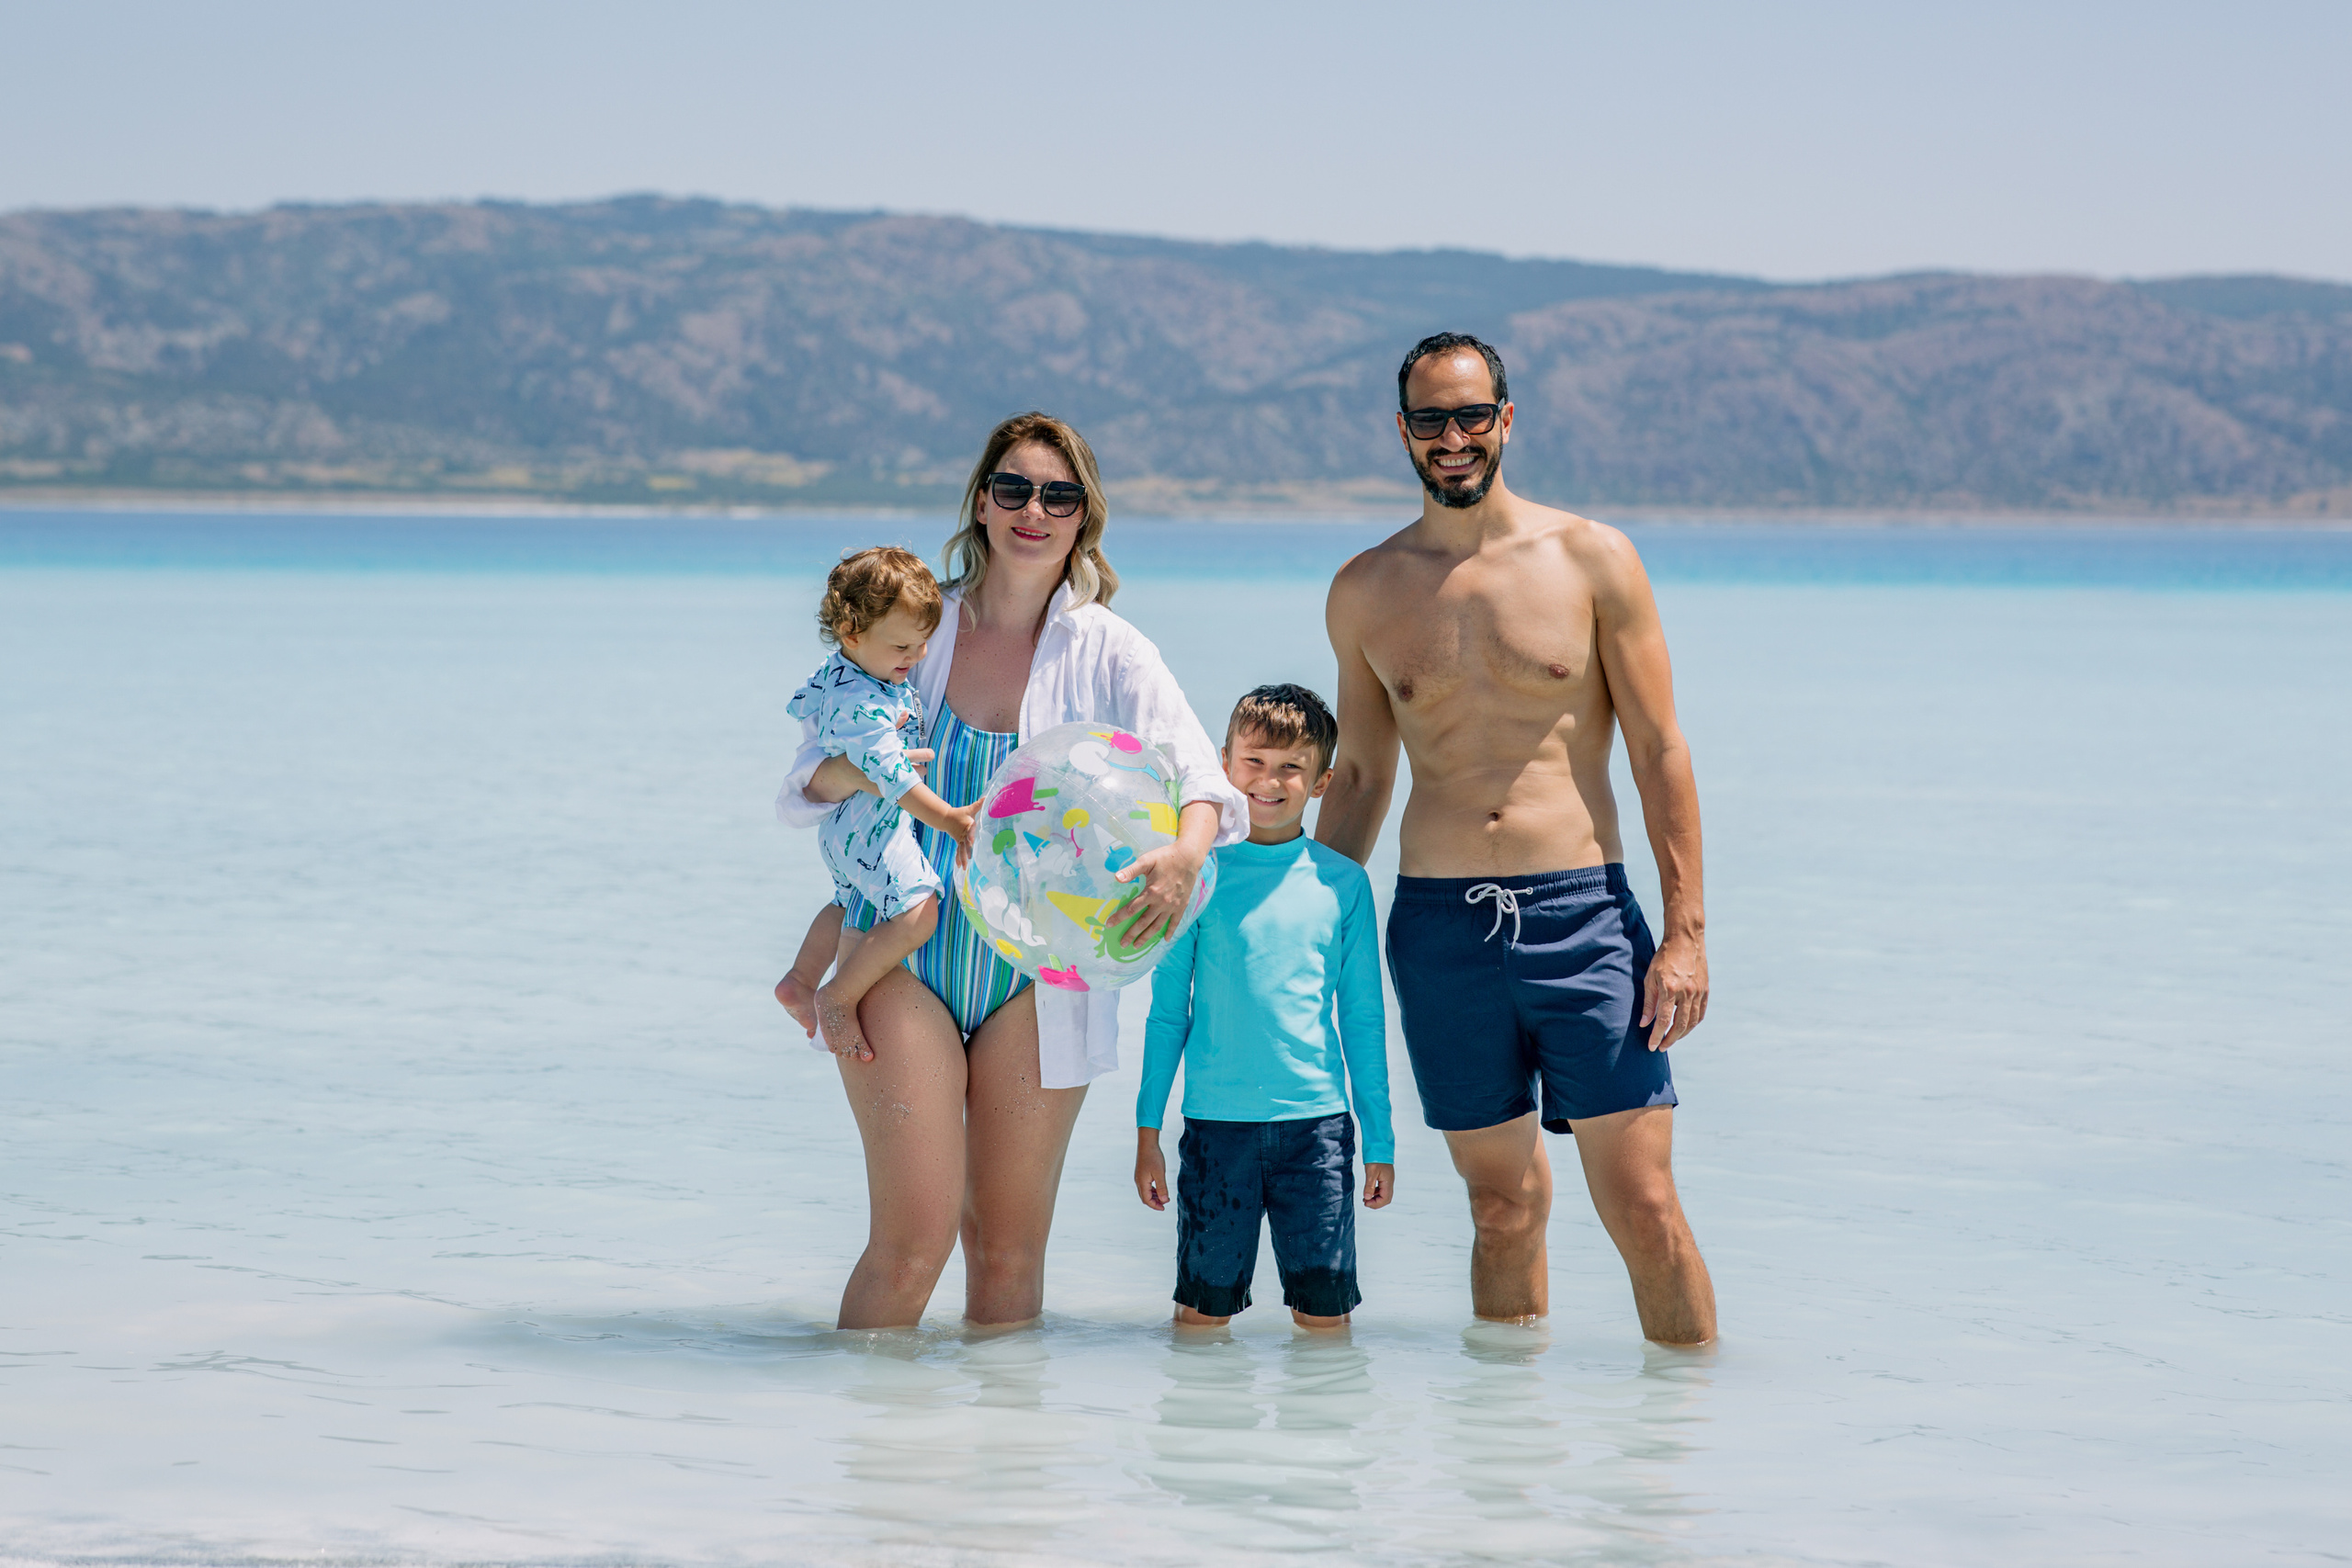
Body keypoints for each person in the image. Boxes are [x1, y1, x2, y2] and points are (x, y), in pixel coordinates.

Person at [776, 412, 1248, 1332]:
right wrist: (868, 768)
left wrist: (1185, 854)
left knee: (1006, 1249)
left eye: (1058, 495)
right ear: (983, 505)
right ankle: (869, 1463)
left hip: (1042, 979)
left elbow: (1199, 775)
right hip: (902, 954)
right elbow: (807, 780)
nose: (1035, 510)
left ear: (1083, 518)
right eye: (1014, 489)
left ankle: (1003, 1472)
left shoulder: (1110, 649)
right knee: (912, 1246)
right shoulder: (917, 623)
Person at [1316, 332, 1718, 1346]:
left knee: (1644, 1210)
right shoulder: (1364, 588)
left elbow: (1659, 748)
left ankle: (1684, 1466)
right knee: (1500, 1209)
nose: (1451, 438)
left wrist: (1685, 935)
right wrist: (1305, 920)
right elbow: (1361, 774)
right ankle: (1502, 1484)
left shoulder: (1591, 558)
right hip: (1439, 929)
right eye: (1428, 419)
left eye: (1470, 416)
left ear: (1505, 418)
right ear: (1400, 430)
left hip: (1580, 914)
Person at [1134, 683, 1393, 1331]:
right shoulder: (1196, 876)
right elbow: (1169, 1013)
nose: (1269, 781)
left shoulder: (1344, 883)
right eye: (1253, 761)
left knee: (1326, 1322)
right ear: (1224, 763)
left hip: (1319, 1132)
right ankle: (1203, 1431)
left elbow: (1362, 1020)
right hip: (1217, 1129)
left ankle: (1321, 1436)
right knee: (1200, 1317)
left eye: (1291, 768)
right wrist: (1147, 1131)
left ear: (1322, 781)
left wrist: (1379, 1140)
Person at [773, 547, 978, 1062]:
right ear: (852, 634)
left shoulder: (848, 674)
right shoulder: (862, 703)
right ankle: (837, 995)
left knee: (847, 904)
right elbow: (888, 774)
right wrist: (949, 820)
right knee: (919, 912)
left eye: (924, 643)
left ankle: (800, 979)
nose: (917, 657)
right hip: (872, 828)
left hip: (846, 831)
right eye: (903, 645)